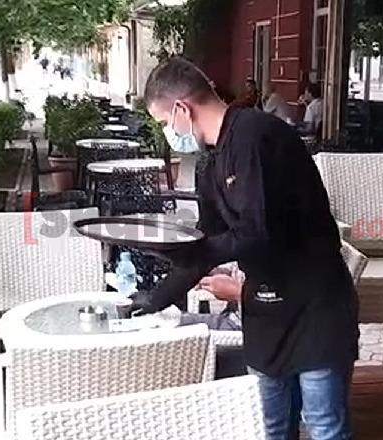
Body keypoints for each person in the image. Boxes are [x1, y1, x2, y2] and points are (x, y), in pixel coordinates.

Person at [134, 57, 358, 440]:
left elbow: (255, 235)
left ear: (181, 109)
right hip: (266, 308)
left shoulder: (256, 136)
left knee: (324, 426)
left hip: (316, 305)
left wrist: (193, 253)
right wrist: (155, 298)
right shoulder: (210, 164)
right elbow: (206, 244)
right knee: (270, 428)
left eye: (164, 122)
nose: (169, 132)